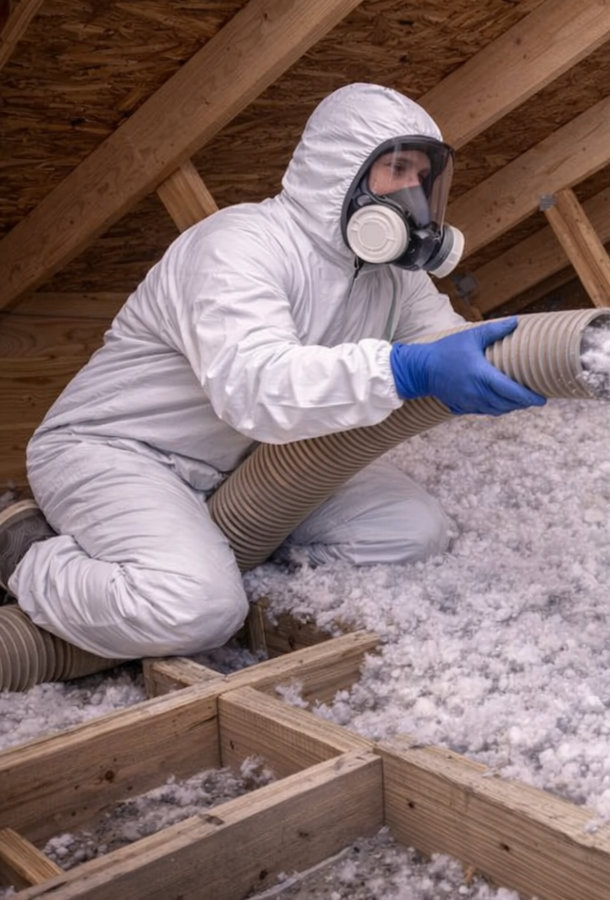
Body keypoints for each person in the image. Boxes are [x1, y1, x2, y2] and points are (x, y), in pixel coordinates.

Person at [0, 83, 545, 662]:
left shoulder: (390, 275)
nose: (412, 191)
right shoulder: (238, 245)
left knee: (412, 531)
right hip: (122, 452)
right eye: (397, 169)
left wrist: (532, 356)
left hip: (254, 463)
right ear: (343, 170)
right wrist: (407, 369)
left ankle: (223, 564)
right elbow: (256, 387)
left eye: (422, 177)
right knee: (194, 607)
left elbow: (445, 342)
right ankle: (23, 549)